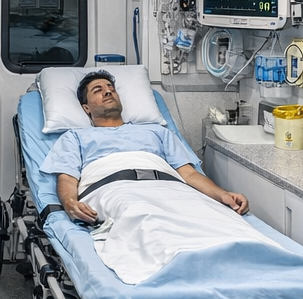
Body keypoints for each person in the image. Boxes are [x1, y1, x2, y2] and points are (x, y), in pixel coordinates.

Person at [43, 71, 250, 223]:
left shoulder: (156, 131)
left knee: (213, 219)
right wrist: (70, 203)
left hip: (170, 189)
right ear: (86, 107)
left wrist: (223, 195)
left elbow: (188, 173)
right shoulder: (75, 137)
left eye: (111, 89)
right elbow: (67, 178)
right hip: (114, 190)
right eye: (99, 90)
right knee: (143, 218)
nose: (108, 92)